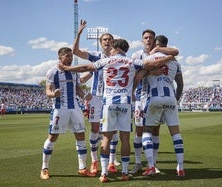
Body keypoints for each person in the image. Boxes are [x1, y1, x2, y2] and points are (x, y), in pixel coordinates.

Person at [59, 38, 175, 182]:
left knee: (106, 138)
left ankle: (104, 174)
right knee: (125, 138)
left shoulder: (106, 61)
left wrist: (68, 68)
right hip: (125, 104)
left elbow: (86, 68)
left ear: (116, 48)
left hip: (109, 104)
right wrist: (170, 56)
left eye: (112, 47)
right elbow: (152, 64)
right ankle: (125, 172)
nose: (111, 49)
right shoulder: (132, 62)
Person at [40, 47, 95, 180]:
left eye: (71, 56)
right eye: (67, 56)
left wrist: (84, 96)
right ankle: (44, 168)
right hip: (60, 108)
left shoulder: (73, 71)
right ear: (60, 57)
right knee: (53, 137)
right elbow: (47, 91)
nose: (70, 59)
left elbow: (77, 88)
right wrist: (53, 94)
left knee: (81, 136)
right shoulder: (53, 71)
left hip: (75, 108)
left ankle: (82, 168)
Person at [72, 19, 120, 175]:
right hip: (96, 98)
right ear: (101, 42)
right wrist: (79, 32)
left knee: (113, 129)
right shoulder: (95, 56)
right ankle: (94, 161)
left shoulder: (118, 57)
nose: (107, 42)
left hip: (112, 97)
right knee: (94, 128)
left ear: (113, 43)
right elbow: (76, 52)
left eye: (110, 40)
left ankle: (112, 162)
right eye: (105, 40)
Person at [130, 29, 179, 174]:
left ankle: (153, 164)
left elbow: (175, 51)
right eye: (145, 38)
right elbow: (134, 74)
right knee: (140, 130)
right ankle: (138, 162)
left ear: (154, 39)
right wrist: (150, 72)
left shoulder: (160, 52)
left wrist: (160, 50)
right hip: (140, 97)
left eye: (151, 37)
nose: (148, 40)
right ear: (142, 40)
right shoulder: (136, 55)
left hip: (155, 98)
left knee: (155, 130)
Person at [139, 35, 185, 176]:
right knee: (175, 133)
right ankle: (180, 168)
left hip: (154, 98)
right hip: (170, 98)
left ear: (155, 44)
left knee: (146, 131)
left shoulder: (149, 58)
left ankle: (151, 166)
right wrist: (176, 99)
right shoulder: (175, 63)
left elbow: (140, 74)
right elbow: (180, 84)